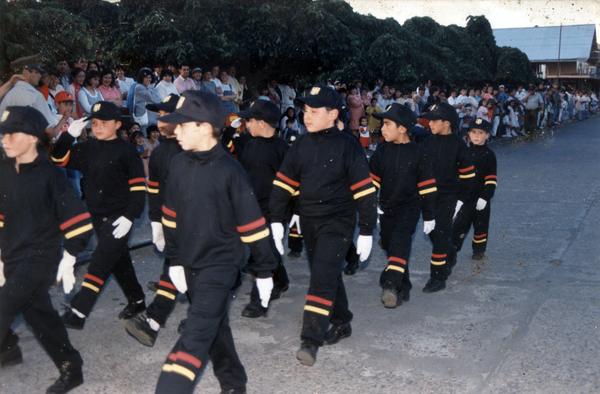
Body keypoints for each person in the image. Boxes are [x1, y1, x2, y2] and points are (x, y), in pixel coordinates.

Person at [153, 91, 277, 394]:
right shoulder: (179, 164)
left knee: (195, 333)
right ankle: (235, 383)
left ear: (205, 127)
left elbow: (253, 226)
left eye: (182, 125)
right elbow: (170, 217)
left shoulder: (230, 171)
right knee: (214, 326)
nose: (175, 130)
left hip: (220, 266)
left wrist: (264, 269)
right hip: (190, 263)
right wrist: (175, 260)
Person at [269, 84, 377, 366]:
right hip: (309, 221)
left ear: (332, 114)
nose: (306, 116)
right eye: (305, 110)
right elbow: (284, 183)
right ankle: (342, 321)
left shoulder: (347, 145)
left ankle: (311, 339)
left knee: (321, 279)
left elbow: (365, 190)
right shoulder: (301, 144)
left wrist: (366, 229)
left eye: (314, 111)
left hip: (339, 222)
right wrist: (278, 218)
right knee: (325, 274)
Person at [0, 106, 93, 393]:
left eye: (11, 134)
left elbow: (79, 222)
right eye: (2, 134)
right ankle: (70, 368)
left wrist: (70, 255)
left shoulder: (50, 176)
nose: (4, 139)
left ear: (31, 138)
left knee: (3, 306)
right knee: (38, 315)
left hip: (39, 259)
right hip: (11, 257)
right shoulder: (3, 170)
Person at [52, 101, 147, 329]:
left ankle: (78, 311)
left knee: (100, 262)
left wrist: (130, 216)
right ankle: (138, 300)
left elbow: (137, 188)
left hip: (119, 218)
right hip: (97, 215)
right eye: (94, 123)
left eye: (104, 123)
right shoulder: (87, 148)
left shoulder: (127, 150)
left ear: (116, 124)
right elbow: (58, 159)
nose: (98, 127)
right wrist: (68, 136)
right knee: (117, 261)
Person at [124, 94, 184, 347]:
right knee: (178, 272)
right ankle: (157, 321)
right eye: (157, 115)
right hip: (172, 225)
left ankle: (154, 321)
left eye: (164, 115)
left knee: (177, 271)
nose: (159, 120)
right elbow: (155, 193)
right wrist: (156, 224)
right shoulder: (158, 154)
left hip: (197, 224)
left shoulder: (192, 147)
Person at [369, 103, 437, 308]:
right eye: (382, 124)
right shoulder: (380, 152)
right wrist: (370, 207)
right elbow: (371, 184)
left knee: (399, 240)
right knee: (393, 246)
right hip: (386, 208)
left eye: (388, 124)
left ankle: (390, 283)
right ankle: (404, 287)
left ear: (403, 128)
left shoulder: (419, 153)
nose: (382, 128)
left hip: (410, 207)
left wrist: (429, 215)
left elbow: (427, 188)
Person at [234, 100, 291, 318]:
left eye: (249, 120)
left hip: (273, 210)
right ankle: (282, 279)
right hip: (251, 206)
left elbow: (291, 185)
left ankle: (259, 299)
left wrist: (289, 212)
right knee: (266, 250)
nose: (246, 124)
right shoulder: (250, 145)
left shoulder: (283, 150)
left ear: (263, 122)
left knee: (262, 252)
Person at [421, 103, 474, 293]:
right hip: (429, 194)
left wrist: (461, 200)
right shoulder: (427, 142)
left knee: (442, 232)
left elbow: (468, 175)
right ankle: (450, 251)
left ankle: (438, 276)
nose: (430, 124)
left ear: (447, 123)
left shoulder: (459, 144)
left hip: (449, 195)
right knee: (431, 231)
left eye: (434, 120)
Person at [453, 118, 497, 260]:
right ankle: (453, 246)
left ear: (487, 135)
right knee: (460, 223)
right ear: (468, 134)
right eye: (473, 132)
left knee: (481, 225)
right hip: (465, 197)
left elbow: (491, 179)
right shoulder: (463, 152)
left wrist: (485, 196)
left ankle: (478, 250)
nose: (476, 136)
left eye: (480, 132)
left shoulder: (489, 155)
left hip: (481, 197)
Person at [0, 64, 56, 139]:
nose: (39, 76)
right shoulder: (36, 95)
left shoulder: (8, 94)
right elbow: (48, 130)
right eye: (36, 72)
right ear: (26, 73)